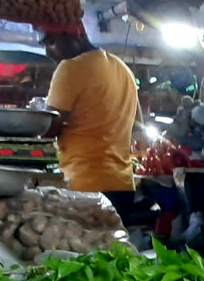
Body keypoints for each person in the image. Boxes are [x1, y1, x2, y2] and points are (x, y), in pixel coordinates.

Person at [40, 21, 140, 220]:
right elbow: (137, 124)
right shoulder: (123, 69)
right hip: (123, 187)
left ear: (76, 34)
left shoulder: (71, 68)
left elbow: (47, 128)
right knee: (115, 250)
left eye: (50, 42)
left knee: (80, 250)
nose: (47, 52)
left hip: (85, 187)